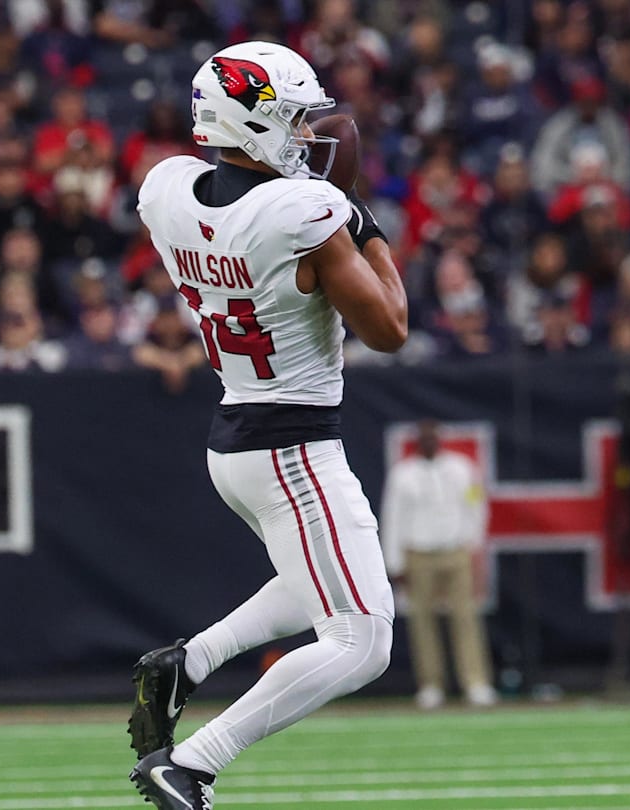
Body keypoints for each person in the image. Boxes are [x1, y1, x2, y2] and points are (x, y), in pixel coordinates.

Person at [128, 42, 407, 810]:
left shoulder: (168, 190)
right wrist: (364, 224)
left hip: (240, 440)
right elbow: (390, 329)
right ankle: (191, 762)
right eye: (291, 117)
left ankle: (190, 662)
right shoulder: (301, 214)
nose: (307, 133)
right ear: (248, 122)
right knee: (362, 639)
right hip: (294, 445)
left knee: (323, 584)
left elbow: (238, 213)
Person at [380, 419, 496, 710]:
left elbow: (476, 505)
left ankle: (475, 683)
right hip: (418, 554)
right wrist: (394, 563)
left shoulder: (460, 468)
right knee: (423, 622)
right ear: (417, 442)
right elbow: (393, 517)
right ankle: (431, 685)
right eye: (424, 438)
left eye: (433, 437)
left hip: (455, 551)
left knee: (465, 617)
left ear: (440, 440)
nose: (429, 442)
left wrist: (474, 545)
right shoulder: (403, 474)